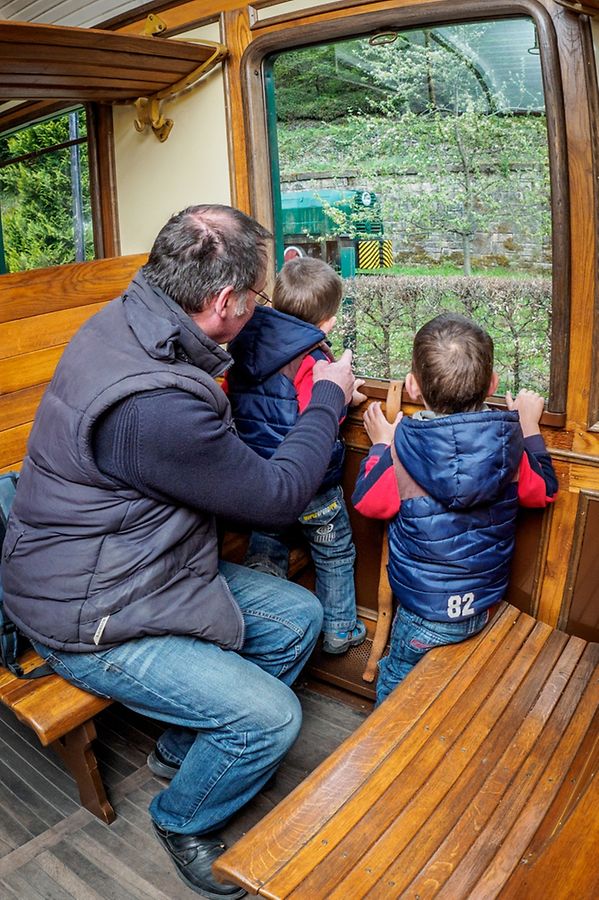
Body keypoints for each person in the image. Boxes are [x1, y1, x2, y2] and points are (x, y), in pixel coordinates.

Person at [1, 205, 358, 899]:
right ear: (222, 300)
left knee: (296, 618)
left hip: (138, 564)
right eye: (255, 298)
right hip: (89, 612)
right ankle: (182, 818)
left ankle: (180, 748)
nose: (258, 309)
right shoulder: (152, 405)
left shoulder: (133, 315)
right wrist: (327, 398)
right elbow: (277, 496)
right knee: (270, 720)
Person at [352, 312, 558, 706]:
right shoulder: (511, 444)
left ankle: (385, 756)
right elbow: (541, 493)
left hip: (421, 613)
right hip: (482, 605)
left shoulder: (399, 448)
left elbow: (369, 502)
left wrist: (380, 443)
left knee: (397, 685)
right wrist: (529, 426)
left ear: (412, 386)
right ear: (493, 384)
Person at [225, 256, 367, 654]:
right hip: (311, 487)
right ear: (329, 322)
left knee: (267, 544)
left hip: (260, 479)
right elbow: (316, 416)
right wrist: (345, 395)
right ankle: (340, 629)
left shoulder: (246, 341)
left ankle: (258, 623)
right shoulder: (312, 358)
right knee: (334, 549)